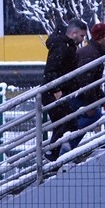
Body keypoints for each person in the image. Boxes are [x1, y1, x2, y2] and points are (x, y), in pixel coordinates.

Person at [64, 22, 105, 153]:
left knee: (85, 118)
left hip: (75, 94)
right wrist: (91, 104)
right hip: (75, 96)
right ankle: (65, 147)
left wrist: (103, 100)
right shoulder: (91, 54)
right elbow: (85, 82)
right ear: (99, 38)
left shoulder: (93, 52)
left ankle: (64, 148)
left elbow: (91, 82)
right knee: (93, 115)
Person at [42, 19, 86, 161]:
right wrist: (57, 89)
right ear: (74, 33)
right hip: (53, 92)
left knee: (65, 122)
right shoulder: (63, 46)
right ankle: (53, 155)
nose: (82, 39)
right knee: (66, 122)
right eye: (82, 36)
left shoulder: (65, 45)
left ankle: (54, 154)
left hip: (53, 91)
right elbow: (51, 69)